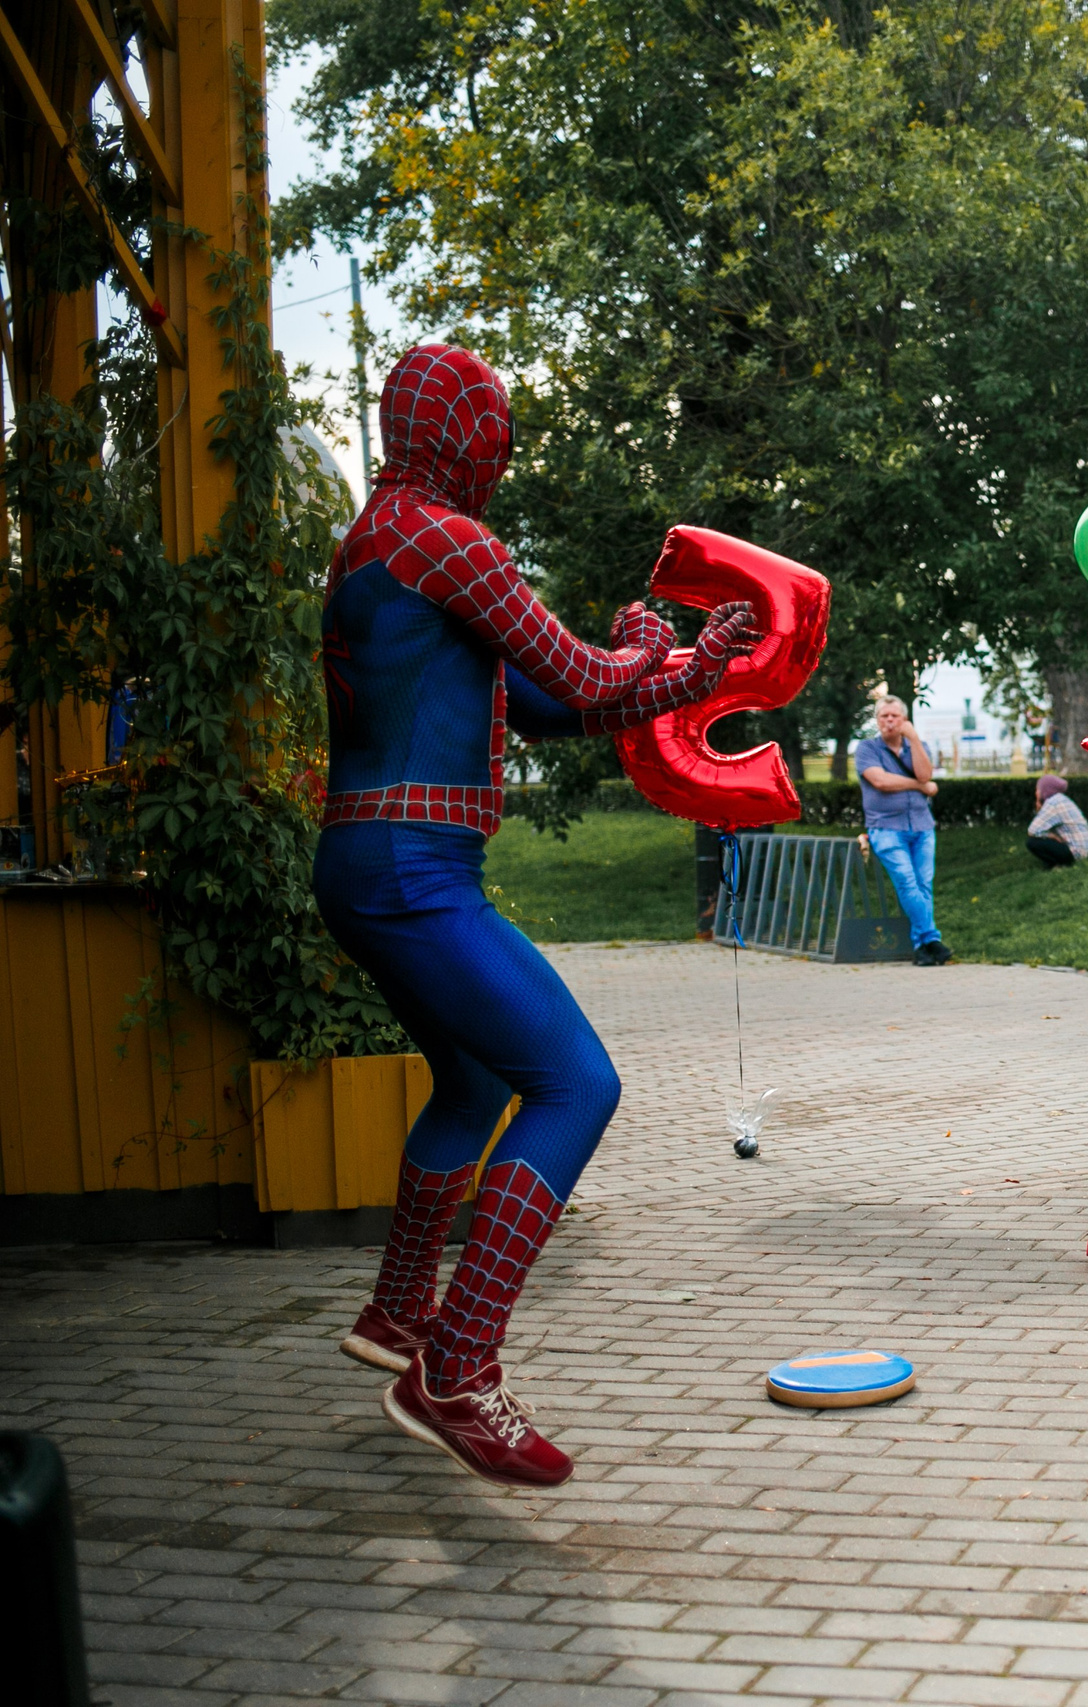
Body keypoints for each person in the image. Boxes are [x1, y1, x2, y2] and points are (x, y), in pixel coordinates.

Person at [322, 344, 759, 1487]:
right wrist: (673, 656)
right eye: (490, 426)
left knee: (473, 1082)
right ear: (458, 434)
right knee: (578, 1083)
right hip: (415, 871)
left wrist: (668, 666)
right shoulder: (442, 540)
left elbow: (552, 706)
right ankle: (456, 1368)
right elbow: (588, 674)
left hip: (368, 864)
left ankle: (397, 1313)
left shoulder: (380, 543)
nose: (499, 450)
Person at [855, 696, 950, 966]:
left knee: (923, 885)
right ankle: (932, 939)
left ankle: (922, 948)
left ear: (904, 720)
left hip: (921, 826)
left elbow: (925, 773)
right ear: (877, 720)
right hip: (886, 828)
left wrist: (915, 741)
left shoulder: (916, 746)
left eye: (894, 716)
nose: (889, 721)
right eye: (884, 716)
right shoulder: (867, 749)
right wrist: (920, 788)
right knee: (907, 883)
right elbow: (881, 781)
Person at [1026, 773, 1088, 868]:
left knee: (1032, 842)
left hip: (1075, 852)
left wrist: (1051, 836)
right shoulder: (1061, 799)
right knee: (1041, 838)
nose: (1036, 792)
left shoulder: (1053, 803)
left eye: (1038, 789)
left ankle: (1057, 863)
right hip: (1083, 848)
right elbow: (1042, 825)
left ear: (1045, 789)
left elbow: (1032, 830)